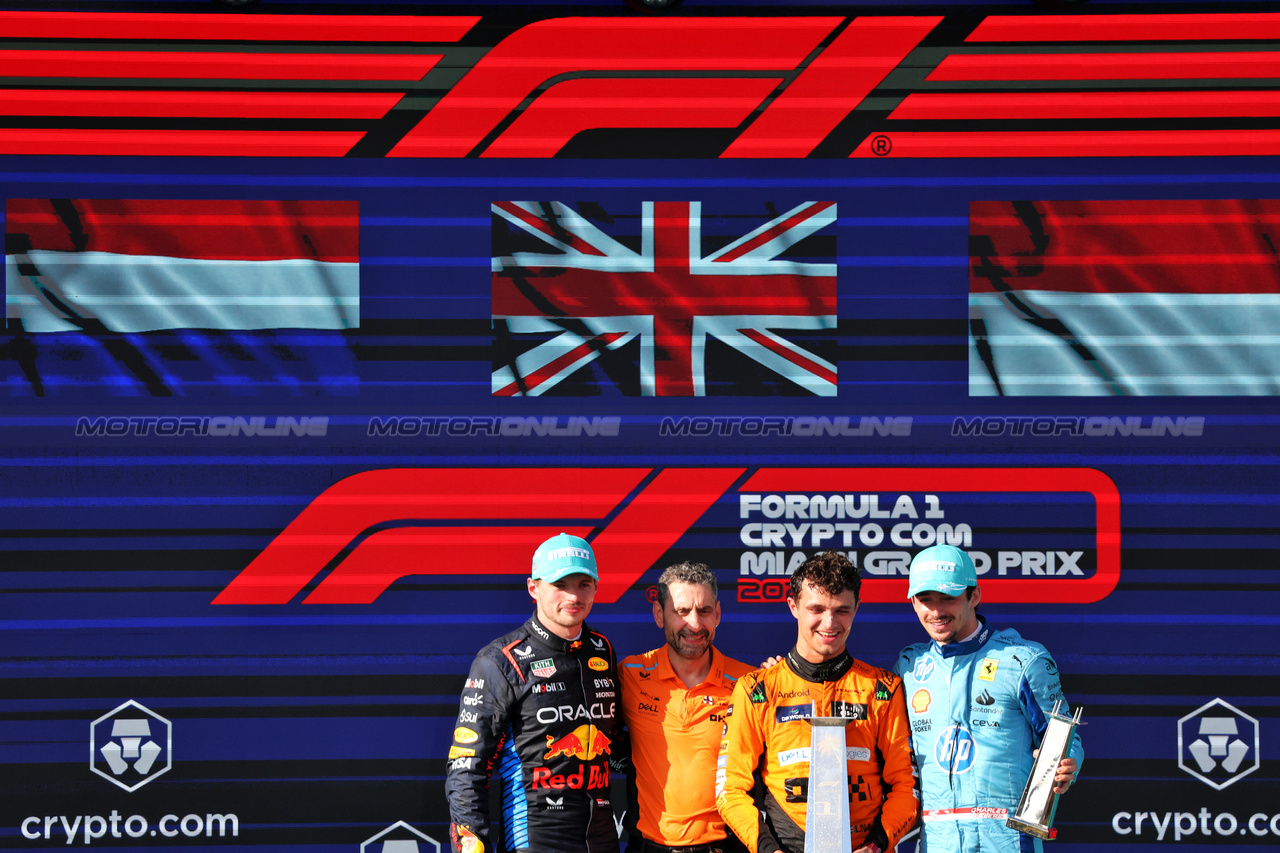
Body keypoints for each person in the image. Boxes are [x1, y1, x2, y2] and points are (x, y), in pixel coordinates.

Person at [716, 551, 917, 853]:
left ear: (857, 609)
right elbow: (730, 790)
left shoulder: (883, 689)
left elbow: (906, 786)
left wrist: (877, 845)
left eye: (842, 611)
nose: (830, 622)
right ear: (793, 606)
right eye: (817, 609)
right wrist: (768, 850)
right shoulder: (757, 689)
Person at [894, 544, 1083, 853]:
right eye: (925, 600)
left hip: (1007, 840)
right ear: (913, 601)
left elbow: (1065, 738)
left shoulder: (1023, 659)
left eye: (948, 598)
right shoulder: (909, 666)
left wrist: (1067, 766)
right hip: (936, 842)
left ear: (975, 596)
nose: (936, 611)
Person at [445, 533, 620, 853]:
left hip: (602, 842)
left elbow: (618, 743)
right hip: (534, 842)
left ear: (597, 587)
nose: (573, 595)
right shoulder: (500, 660)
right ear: (533, 588)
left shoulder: (602, 650)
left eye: (583, 583)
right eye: (560, 584)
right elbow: (466, 770)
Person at [619, 562, 754, 853]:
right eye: (681, 611)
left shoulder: (749, 683)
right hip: (647, 847)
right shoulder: (630, 673)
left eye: (704, 611)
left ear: (717, 614)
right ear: (659, 615)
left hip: (724, 846)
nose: (694, 623)